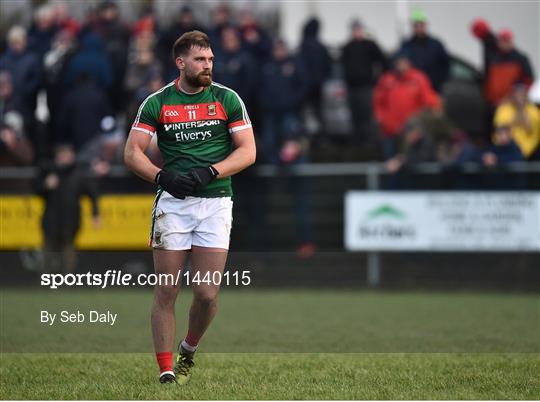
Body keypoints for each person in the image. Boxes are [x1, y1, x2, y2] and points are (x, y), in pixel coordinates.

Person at [123, 30, 256, 385]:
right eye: (200, 60)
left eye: (210, 59)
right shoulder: (157, 102)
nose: (208, 65)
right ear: (180, 63)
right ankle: (166, 371)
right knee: (167, 289)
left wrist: (211, 170)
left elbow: (247, 151)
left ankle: (189, 349)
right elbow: (132, 152)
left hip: (216, 203)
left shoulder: (227, 99)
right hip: (174, 205)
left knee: (207, 293)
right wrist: (160, 177)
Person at [373, 53, 440, 158]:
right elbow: (378, 103)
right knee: (391, 164)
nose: (401, 65)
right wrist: (383, 121)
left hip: (412, 133)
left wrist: (421, 125)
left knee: (410, 163)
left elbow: (428, 101)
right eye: (398, 63)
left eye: (403, 62)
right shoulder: (386, 80)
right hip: (390, 132)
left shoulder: (418, 79)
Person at [341, 19, 388, 142]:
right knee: (356, 118)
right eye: (354, 30)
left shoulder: (370, 45)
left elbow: (383, 62)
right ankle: (358, 145)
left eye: (359, 29)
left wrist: (377, 81)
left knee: (367, 118)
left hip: (366, 87)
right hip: (352, 88)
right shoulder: (347, 47)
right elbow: (344, 66)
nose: (357, 32)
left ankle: (369, 144)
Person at [398, 9, 450, 93]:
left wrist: (440, 82)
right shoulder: (406, 45)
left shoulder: (436, 44)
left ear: (425, 25)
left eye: (421, 24)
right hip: (412, 90)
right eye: (416, 25)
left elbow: (446, 64)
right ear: (412, 26)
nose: (419, 28)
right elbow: (399, 63)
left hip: (433, 88)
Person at [494, 82, 540, 159]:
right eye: (517, 93)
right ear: (512, 95)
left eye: (522, 94)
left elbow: (536, 136)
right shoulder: (504, 110)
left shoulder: (534, 112)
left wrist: (525, 150)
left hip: (530, 152)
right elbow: (498, 133)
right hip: (507, 149)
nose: (519, 97)